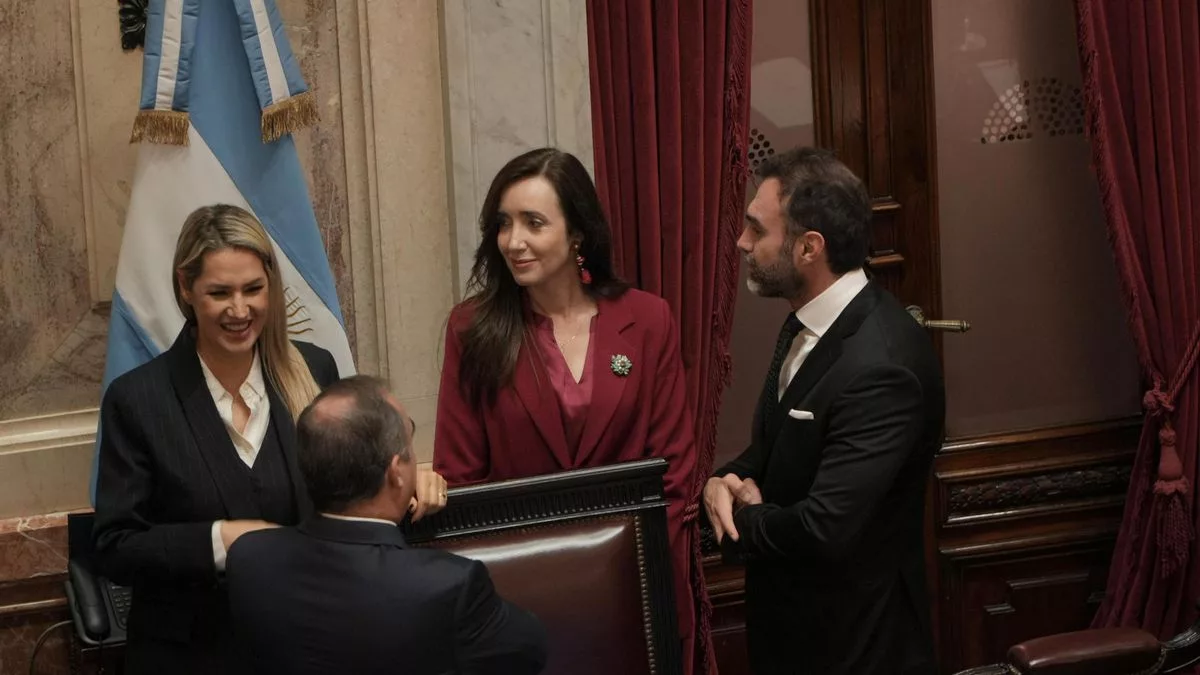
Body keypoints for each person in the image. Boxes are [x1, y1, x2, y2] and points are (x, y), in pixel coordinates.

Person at [91, 204, 445, 674]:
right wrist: (224, 539)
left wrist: (407, 481)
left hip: (309, 649)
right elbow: (117, 546)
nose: (240, 310)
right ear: (185, 287)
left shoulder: (315, 370)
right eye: (220, 292)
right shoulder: (136, 400)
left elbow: (351, 498)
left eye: (253, 289)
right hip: (191, 658)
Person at [433, 147, 700, 667]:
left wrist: (619, 573)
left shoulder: (647, 320)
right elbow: (461, 477)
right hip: (518, 602)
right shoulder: (472, 329)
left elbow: (672, 475)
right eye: (503, 224)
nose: (514, 242)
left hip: (637, 596)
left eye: (534, 223)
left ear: (577, 232)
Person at [703, 148, 945, 675]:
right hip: (796, 635)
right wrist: (726, 478)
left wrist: (742, 517)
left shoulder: (883, 365)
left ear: (808, 248)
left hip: (856, 647)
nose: (741, 243)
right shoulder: (805, 324)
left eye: (756, 230)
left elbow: (824, 528)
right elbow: (778, 449)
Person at [227, 375, 547, 674]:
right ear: (396, 470)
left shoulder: (249, 559)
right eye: (409, 446)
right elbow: (531, 649)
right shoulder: (449, 585)